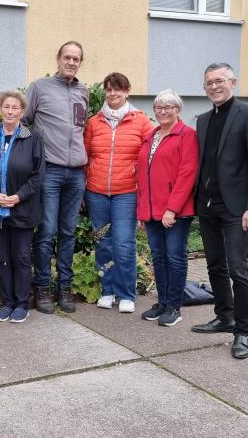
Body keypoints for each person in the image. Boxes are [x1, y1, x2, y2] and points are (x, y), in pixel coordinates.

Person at [192, 62, 248, 360]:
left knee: (239, 269)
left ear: (233, 82)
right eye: (209, 82)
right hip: (208, 205)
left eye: (219, 81)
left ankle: (244, 331)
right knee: (215, 267)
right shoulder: (203, 120)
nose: (214, 86)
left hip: (237, 208)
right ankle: (225, 316)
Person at [23, 41, 89, 314]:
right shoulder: (40, 87)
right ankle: (43, 289)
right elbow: (25, 121)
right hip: (49, 170)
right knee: (48, 231)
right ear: (58, 58)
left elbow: (80, 129)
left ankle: (65, 288)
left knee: (68, 232)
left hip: (76, 174)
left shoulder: (83, 91)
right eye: (67, 57)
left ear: (80, 63)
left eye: (76, 59)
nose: (71, 62)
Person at [0, 90, 45, 323]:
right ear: (0, 109)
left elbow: (37, 175)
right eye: (7, 107)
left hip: (22, 209)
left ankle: (22, 304)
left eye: (15, 108)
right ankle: (7, 303)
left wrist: (18, 197)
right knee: (2, 256)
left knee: (22, 257)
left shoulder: (33, 138)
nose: (10, 111)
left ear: (22, 112)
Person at [84, 73, 153, 314]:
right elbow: (87, 154)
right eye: (109, 89)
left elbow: (148, 158)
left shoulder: (141, 121)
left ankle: (126, 294)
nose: (113, 94)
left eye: (118, 89)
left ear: (127, 91)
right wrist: (87, 179)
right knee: (103, 243)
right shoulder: (94, 122)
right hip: (97, 192)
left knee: (123, 243)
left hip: (127, 193)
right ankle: (107, 290)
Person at [137, 89, 199, 327]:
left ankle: (174, 306)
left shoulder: (187, 135)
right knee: (159, 257)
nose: (162, 111)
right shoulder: (151, 135)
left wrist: (172, 209)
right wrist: (142, 211)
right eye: (158, 107)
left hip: (175, 211)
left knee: (175, 257)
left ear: (178, 110)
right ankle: (162, 302)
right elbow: (143, 175)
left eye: (168, 107)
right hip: (152, 211)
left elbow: (187, 174)